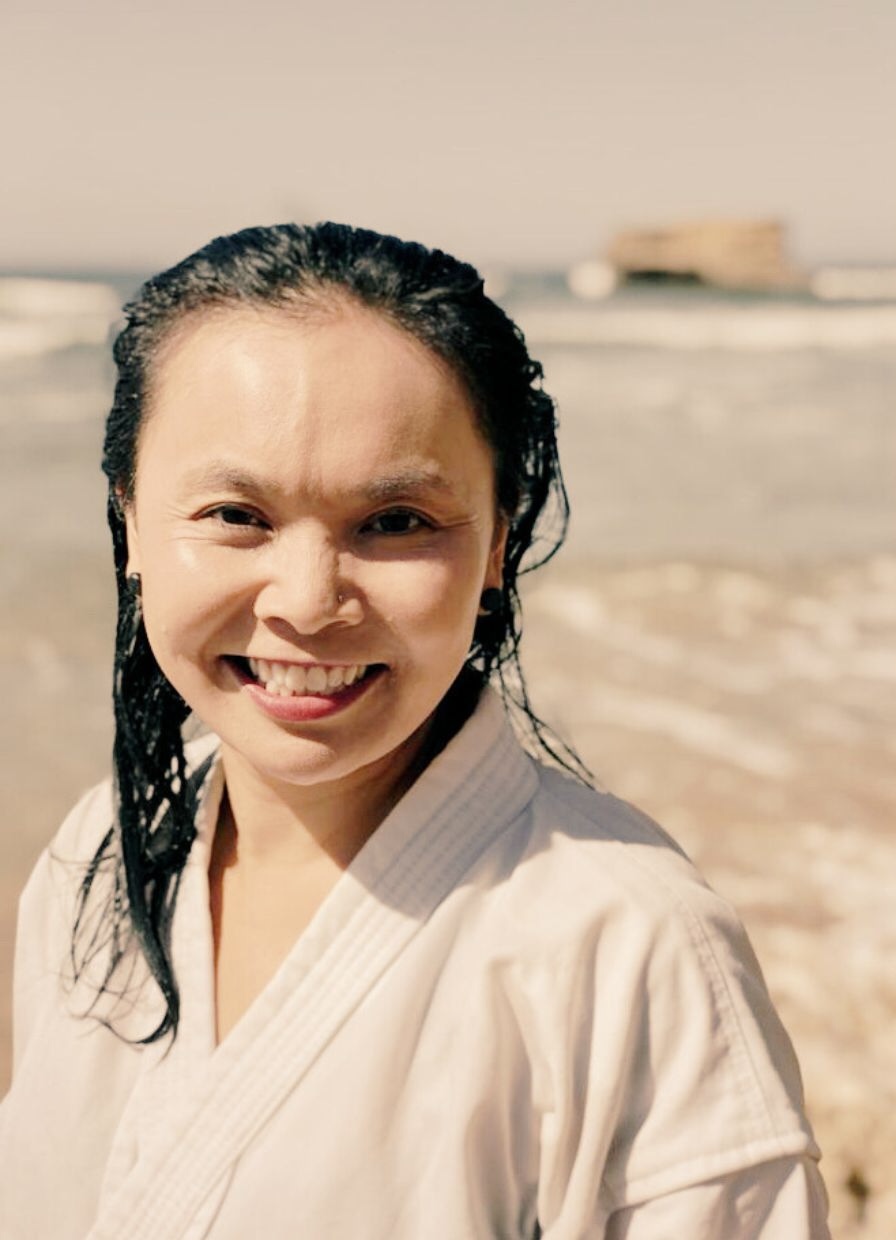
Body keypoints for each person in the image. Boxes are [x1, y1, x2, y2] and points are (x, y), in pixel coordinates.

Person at [0, 223, 829, 1238]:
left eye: (394, 520)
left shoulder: (629, 946)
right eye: (234, 513)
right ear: (130, 521)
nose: (306, 603)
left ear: (498, 542)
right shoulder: (97, 856)